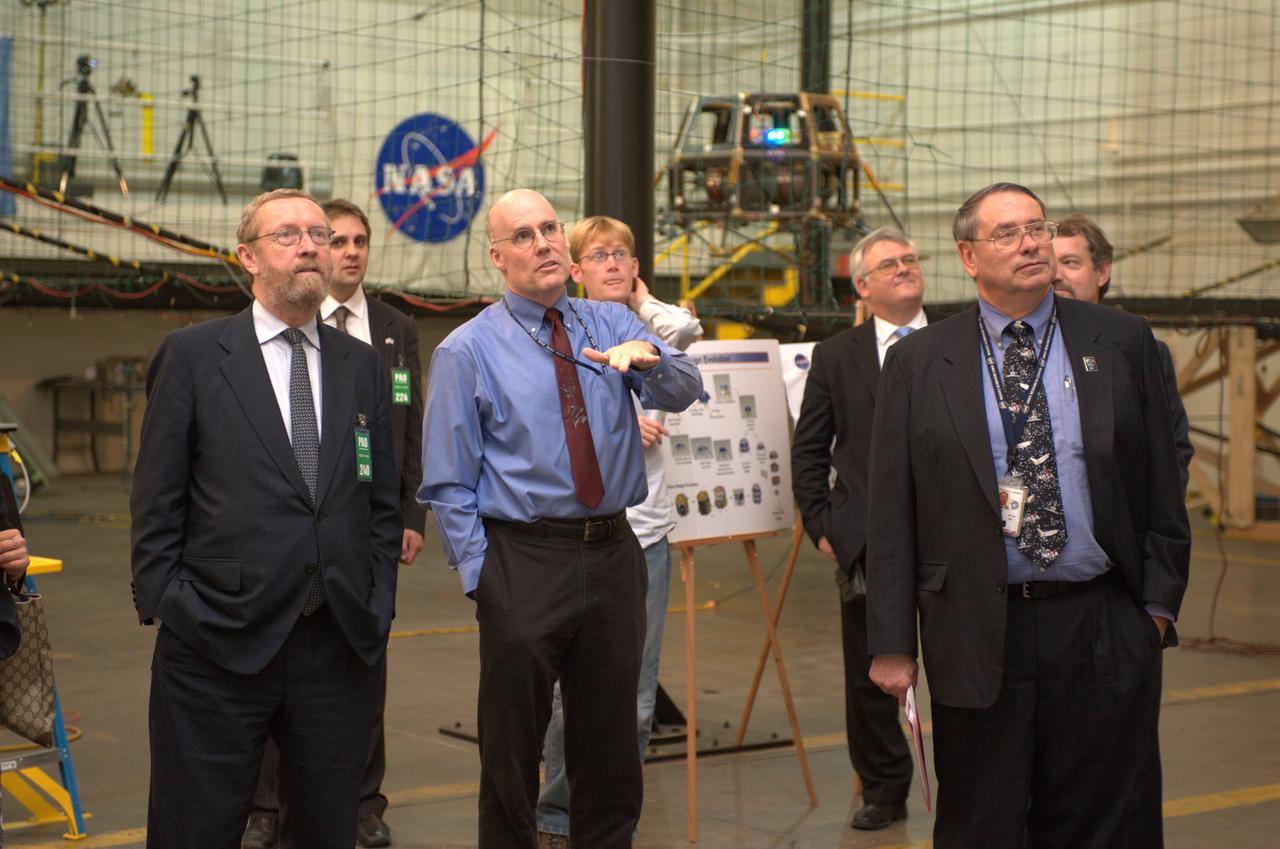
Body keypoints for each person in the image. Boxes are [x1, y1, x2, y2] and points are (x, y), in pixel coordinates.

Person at [866, 183, 1190, 849]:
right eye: (1008, 233)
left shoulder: (1123, 340)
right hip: (979, 625)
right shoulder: (919, 361)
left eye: (1037, 228)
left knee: (1106, 821)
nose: (1031, 243)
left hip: (1102, 620)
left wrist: (1155, 608)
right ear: (968, 255)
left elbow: (1162, 478)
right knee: (981, 820)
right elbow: (891, 508)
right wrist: (892, 639)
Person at [418, 189, 702, 849]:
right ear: (497, 257)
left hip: (611, 552)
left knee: (610, 739)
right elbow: (447, 480)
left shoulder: (608, 324)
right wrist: (483, 578)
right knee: (512, 747)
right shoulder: (468, 351)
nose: (543, 242)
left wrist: (652, 361)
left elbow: (687, 388)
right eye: (523, 235)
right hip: (522, 559)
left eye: (550, 228)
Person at [130, 188, 402, 849]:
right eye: (290, 235)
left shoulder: (362, 365)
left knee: (326, 831)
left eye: (321, 234)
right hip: (216, 642)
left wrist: (375, 600)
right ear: (247, 257)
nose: (313, 245)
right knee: (195, 828)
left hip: (335, 644)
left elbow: (380, 500)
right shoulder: (193, 356)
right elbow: (156, 502)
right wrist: (173, 600)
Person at [243, 199, 425, 849]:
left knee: (364, 664)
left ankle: (362, 797)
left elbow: (408, 424)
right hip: (296, 537)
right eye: (335, 239)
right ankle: (266, 803)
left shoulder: (396, 332)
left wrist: (409, 513)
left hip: (367, 535)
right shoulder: (293, 321)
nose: (345, 251)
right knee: (277, 667)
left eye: (356, 241)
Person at [534, 216, 701, 849]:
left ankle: (611, 820)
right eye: (598, 256)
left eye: (623, 256)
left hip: (646, 534)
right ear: (574, 271)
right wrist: (629, 419)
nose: (613, 265)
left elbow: (685, 333)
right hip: (577, 533)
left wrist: (638, 301)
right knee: (564, 698)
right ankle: (555, 816)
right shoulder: (560, 330)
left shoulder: (650, 327)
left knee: (634, 697)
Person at [790, 227, 921, 831]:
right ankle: (884, 788)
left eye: (911, 260)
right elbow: (810, 448)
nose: (905, 269)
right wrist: (823, 524)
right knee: (871, 674)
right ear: (863, 286)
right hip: (866, 541)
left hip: (953, 537)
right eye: (889, 264)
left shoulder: (958, 340)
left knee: (963, 667)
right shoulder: (838, 355)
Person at [1052, 212, 1194, 492]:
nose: (1057, 275)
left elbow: (1172, 449)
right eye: (1050, 264)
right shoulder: (1024, 348)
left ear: (1102, 272)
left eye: (1070, 263)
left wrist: (1160, 529)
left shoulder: (1139, 351)